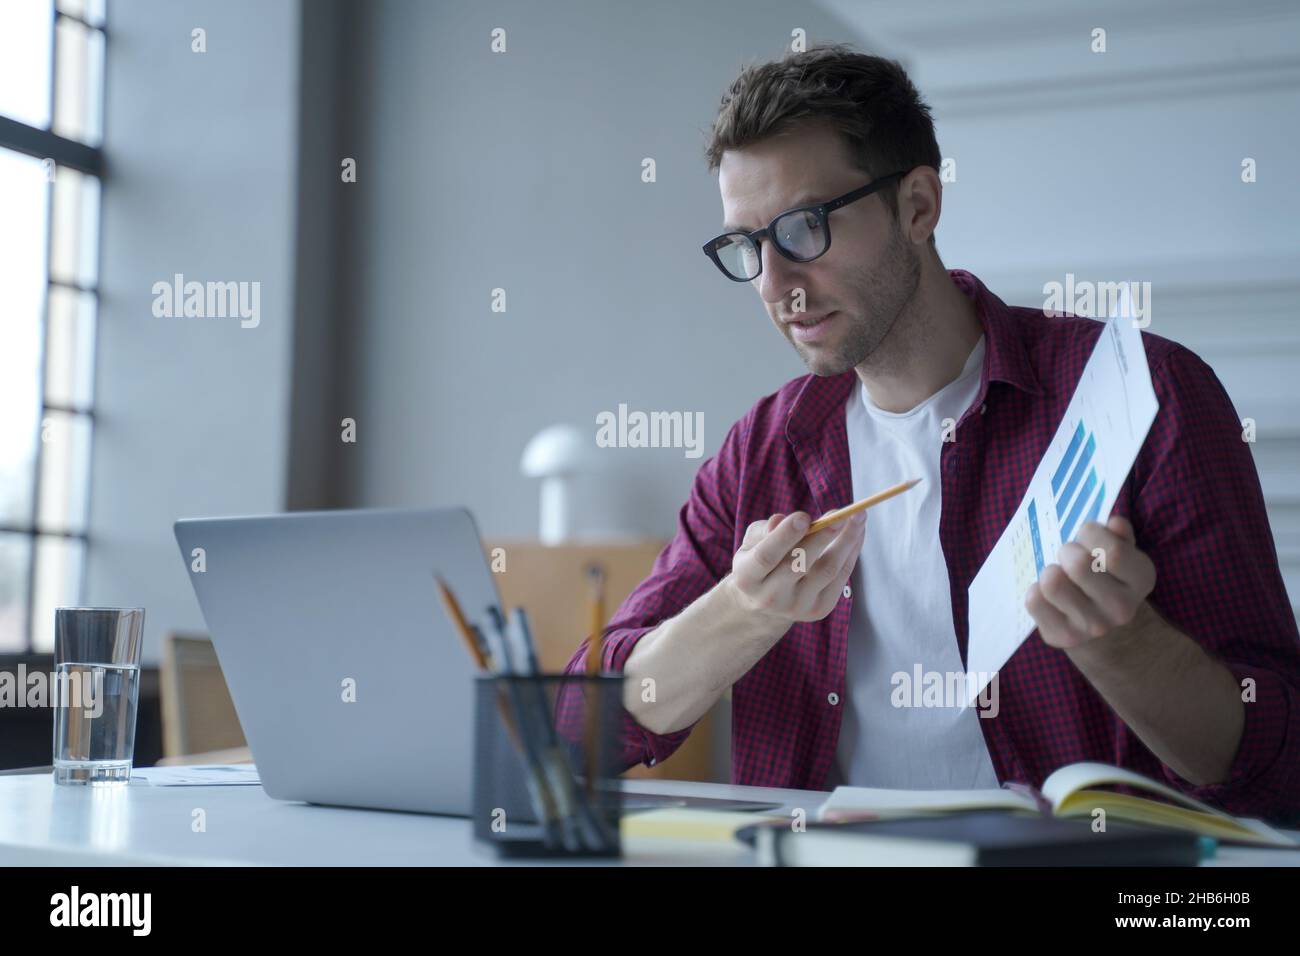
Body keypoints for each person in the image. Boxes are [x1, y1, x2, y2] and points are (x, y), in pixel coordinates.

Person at [561, 44, 1300, 822]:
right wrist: (745, 611)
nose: (776, 286)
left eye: (804, 228)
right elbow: (577, 731)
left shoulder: (1143, 394)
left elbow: (1278, 772)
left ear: (918, 206)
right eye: (748, 246)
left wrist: (1122, 643)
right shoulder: (763, 453)